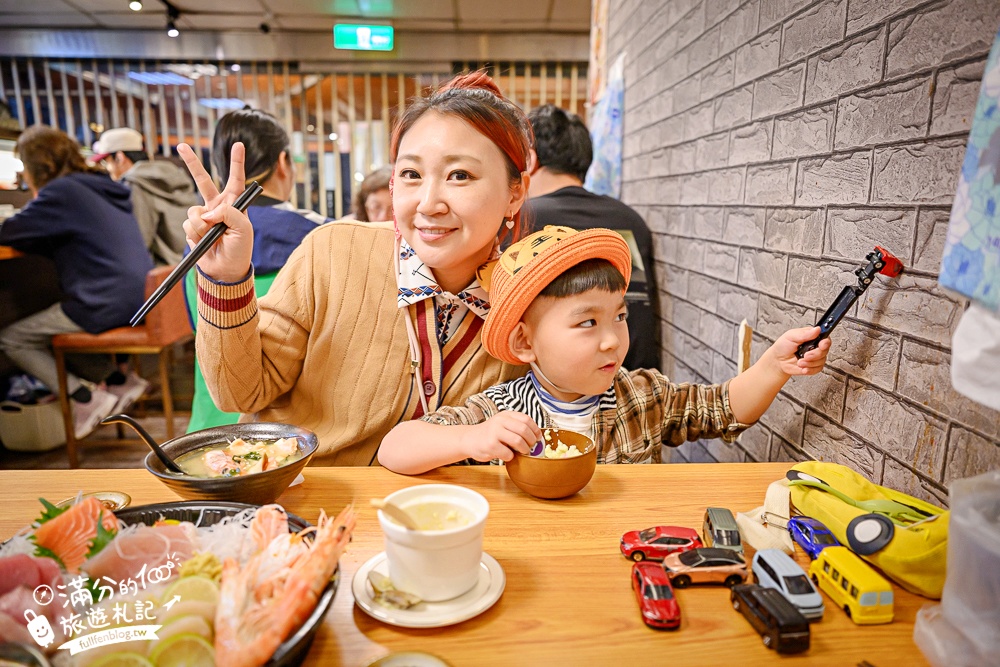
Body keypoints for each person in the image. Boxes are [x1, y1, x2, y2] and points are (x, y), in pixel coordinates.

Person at [178, 71, 532, 464]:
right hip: (310, 502)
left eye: (459, 175)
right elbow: (239, 394)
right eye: (411, 174)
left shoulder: (528, 295)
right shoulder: (332, 251)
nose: (429, 203)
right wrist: (225, 278)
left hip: (447, 515)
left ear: (515, 192)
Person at [377, 226, 831, 474]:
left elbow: (723, 408)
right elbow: (395, 449)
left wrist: (775, 365)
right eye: (587, 322)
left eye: (619, 315)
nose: (613, 338)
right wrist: (469, 439)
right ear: (524, 342)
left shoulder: (643, 395)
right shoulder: (501, 412)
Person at [0, 126, 153, 439]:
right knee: (54, 325)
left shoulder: (61, 192)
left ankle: (86, 399)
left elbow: (9, 231)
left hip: (103, 301)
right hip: (139, 296)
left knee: (14, 337)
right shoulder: (102, 186)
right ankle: (119, 380)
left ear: (35, 167)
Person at [183, 107, 331, 432]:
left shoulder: (199, 240)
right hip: (295, 427)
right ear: (283, 162)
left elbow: (200, 330)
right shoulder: (324, 237)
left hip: (210, 420)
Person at [525, 104, 661, 371]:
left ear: (530, 160)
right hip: (640, 389)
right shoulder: (630, 220)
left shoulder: (521, 221)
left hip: (556, 397)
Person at [92, 127, 199, 267]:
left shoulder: (135, 185)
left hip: (165, 277)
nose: (107, 168)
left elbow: (138, 242)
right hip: (192, 267)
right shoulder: (173, 174)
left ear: (119, 157)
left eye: (106, 162)